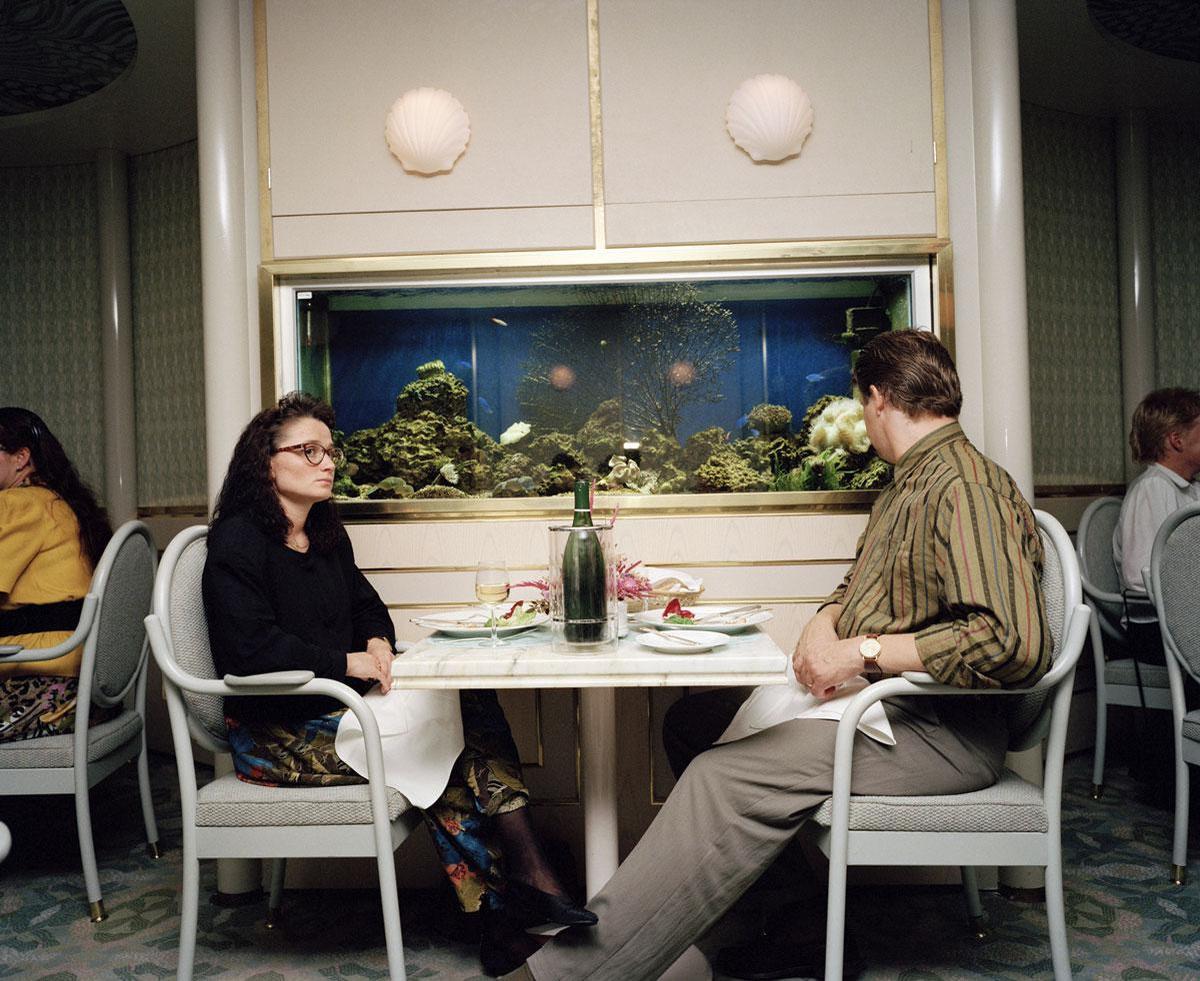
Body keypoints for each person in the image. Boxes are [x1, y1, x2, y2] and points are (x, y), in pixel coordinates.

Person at [501, 330, 1051, 981]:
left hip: (941, 730)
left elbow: (1013, 642)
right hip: (894, 712)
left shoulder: (965, 487)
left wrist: (862, 653)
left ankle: (559, 974)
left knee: (724, 777)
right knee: (691, 722)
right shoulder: (912, 483)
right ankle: (796, 924)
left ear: (876, 399)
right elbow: (859, 587)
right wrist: (825, 622)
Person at [201, 392, 593, 977]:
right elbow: (249, 650)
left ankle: (508, 901)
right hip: (274, 730)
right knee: (444, 744)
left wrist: (379, 644)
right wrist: (347, 663)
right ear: (266, 462)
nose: (326, 463)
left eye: (329, 451)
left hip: (338, 710)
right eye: (307, 451)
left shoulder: (326, 533)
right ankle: (521, 887)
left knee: (465, 703)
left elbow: (369, 608)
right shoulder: (236, 541)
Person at [0, 407, 113, 743]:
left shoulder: (18, 504)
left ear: (21, 458)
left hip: (39, 686)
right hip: (81, 689)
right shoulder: (61, 504)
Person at [1113, 387, 1200, 653]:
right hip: (1155, 626)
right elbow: (1138, 576)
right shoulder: (1152, 489)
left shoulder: (1192, 488)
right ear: (1177, 440)